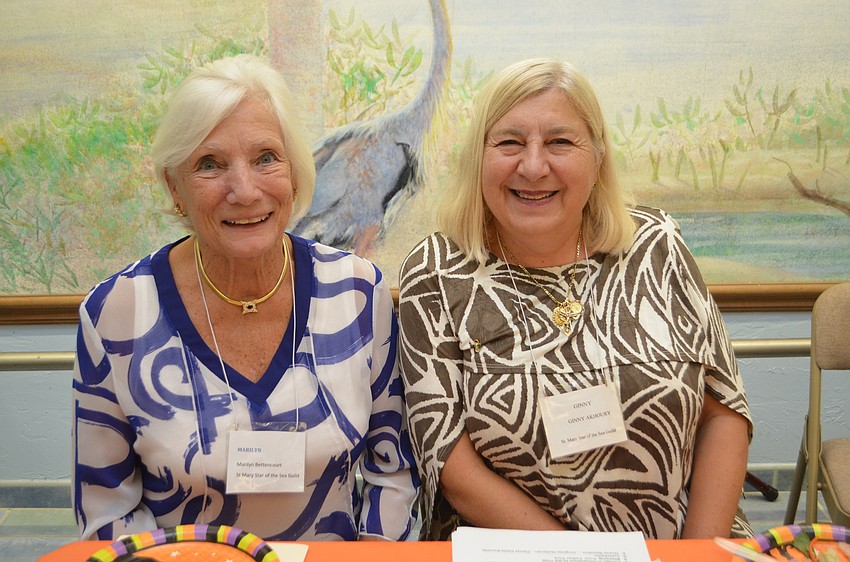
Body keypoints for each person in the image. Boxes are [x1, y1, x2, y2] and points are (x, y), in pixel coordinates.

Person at [398, 58, 752, 540]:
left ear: (598, 155)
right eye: (509, 142)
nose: (534, 165)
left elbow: (722, 413)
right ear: (478, 156)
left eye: (560, 142)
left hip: (684, 542)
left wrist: (695, 555)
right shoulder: (436, 273)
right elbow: (453, 466)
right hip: (516, 550)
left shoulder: (657, 245)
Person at [72, 54, 419, 542]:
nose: (245, 189)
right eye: (209, 164)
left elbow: (393, 474)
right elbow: (107, 510)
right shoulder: (115, 315)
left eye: (265, 158)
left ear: (296, 172)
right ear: (175, 186)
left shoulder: (360, 293)